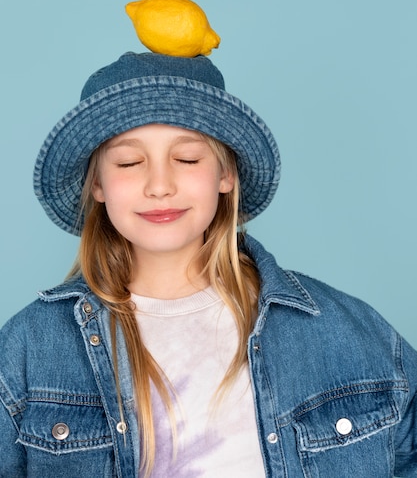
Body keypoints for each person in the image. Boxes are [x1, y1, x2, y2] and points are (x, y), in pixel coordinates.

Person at [0, 44, 416, 478]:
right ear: (98, 184)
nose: (159, 185)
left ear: (225, 175)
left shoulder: (344, 333)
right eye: (128, 161)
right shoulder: (28, 350)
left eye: (186, 158)